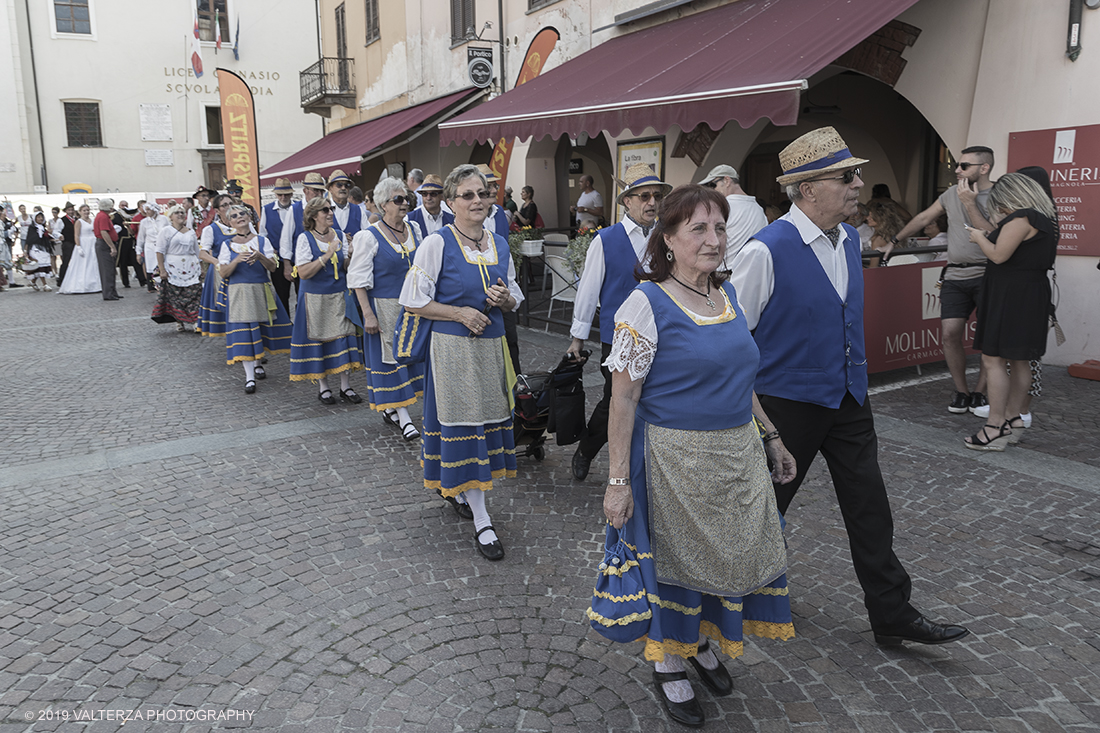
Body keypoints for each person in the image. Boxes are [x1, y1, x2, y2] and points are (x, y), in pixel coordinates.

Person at [730, 126, 970, 647]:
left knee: (870, 507)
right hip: (786, 407)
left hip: (848, 398)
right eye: (847, 176)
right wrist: (760, 424)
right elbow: (733, 338)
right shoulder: (764, 251)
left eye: (856, 174)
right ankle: (729, 600)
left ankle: (892, 615)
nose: (860, 183)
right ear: (809, 188)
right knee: (765, 509)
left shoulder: (845, 243)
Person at [599, 184, 796, 727]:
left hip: (734, 458)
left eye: (720, 227)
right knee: (674, 567)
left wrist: (771, 435)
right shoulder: (647, 303)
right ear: (668, 238)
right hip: (673, 461)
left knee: (723, 559)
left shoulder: (725, 295)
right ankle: (668, 661)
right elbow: (624, 397)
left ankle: (701, 641)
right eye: (699, 230)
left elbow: (742, 375)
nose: (714, 240)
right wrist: (618, 481)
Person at [398, 164, 523, 561]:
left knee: (485, 424)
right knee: (465, 424)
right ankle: (483, 520)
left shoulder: (499, 243)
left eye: (482, 194)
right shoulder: (437, 243)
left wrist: (506, 300)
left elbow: (515, 292)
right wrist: (460, 313)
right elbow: (412, 299)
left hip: (490, 348)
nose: (477, 201)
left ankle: (460, 490)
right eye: (467, 195)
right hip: (453, 349)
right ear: (451, 203)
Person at [568, 163, 670, 481]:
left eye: (656, 196)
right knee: (615, 400)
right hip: (620, 338)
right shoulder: (606, 240)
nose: (651, 202)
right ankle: (587, 449)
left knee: (655, 399)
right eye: (644, 196)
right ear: (627, 201)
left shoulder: (667, 237)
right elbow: (588, 291)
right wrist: (577, 339)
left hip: (662, 334)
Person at [892, 146, 996, 415]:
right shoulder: (951, 193)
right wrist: (894, 240)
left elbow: (995, 235)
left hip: (988, 274)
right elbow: (925, 217)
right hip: (954, 274)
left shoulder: (999, 194)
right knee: (950, 334)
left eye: (964, 166)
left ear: (984, 168)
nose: (957, 170)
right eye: (957, 165)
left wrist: (971, 203)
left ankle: (980, 393)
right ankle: (961, 391)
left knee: (988, 339)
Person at [962, 173, 1058, 450]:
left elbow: (998, 255)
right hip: (1028, 294)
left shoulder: (1022, 218)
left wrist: (979, 237)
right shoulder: (1043, 218)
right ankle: (1013, 419)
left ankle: (995, 426)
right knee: (1019, 361)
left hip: (1012, 296)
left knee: (993, 360)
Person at [348, 178, 425, 438]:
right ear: (382, 205)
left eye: (406, 199)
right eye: (398, 199)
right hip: (385, 308)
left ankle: (392, 410)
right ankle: (404, 418)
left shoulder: (414, 229)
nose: (404, 204)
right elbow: (357, 280)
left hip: (414, 307)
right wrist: (367, 314)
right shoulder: (368, 236)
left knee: (413, 356)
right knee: (392, 361)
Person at [289, 196, 365, 403]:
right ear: (314, 216)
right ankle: (324, 388)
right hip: (315, 298)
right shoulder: (305, 239)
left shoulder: (339, 235)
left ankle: (345, 387)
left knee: (343, 337)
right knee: (319, 341)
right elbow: (303, 273)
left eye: (331, 208)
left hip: (339, 295)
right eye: (325, 210)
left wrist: (351, 255)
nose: (330, 212)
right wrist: (327, 254)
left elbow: (345, 268)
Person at [218, 204, 293, 393]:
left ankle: (258, 363)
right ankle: (249, 377)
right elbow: (224, 273)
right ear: (230, 222)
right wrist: (236, 259)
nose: (239, 217)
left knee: (259, 328)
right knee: (244, 332)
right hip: (239, 292)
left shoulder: (262, 241)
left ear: (250, 217)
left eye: (242, 213)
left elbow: (272, 268)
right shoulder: (227, 245)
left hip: (260, 289)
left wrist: (260, 256)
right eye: (234, 216)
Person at [699, 164, 768, 269]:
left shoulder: (721, 206)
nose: (711, 190)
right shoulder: (758, 209)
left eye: (712, 185)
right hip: (750, 272)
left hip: (722, 273)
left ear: (727, 180)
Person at [151, 205, 203, 332]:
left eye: (182, 212)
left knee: (194, 294)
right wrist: (162, 269)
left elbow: (197, 251)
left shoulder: (191, 232)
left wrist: (202, 268)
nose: (180, 215)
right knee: (176, 296)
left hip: (191, 266)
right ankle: (179, 320)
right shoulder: (166, 231)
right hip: (173, 266)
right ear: (171, 216)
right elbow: (159, 251)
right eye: (177, 213)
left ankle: (195, 321)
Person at [259, 177, 302, 316]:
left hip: (297, 257)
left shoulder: (298, 208)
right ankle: (285, 324)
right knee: (281, 293)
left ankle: (301, 322)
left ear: (291, 194)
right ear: (276, 195)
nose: (283, 197)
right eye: (280, 194)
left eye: (287, 194)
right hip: (277, 259)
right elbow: (263, 233)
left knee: (300, 292)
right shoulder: (267, 209)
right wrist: (270, 249)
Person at [59, 204, 102, 295]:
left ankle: (96, 284)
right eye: (84, 210)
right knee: (83, 264)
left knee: (94, 263)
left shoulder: (93, 220)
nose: (86, 212)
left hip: (93, 242)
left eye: (87, 210)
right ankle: (82, 284)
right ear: (80, 212)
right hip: (84, 243)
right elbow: (77, 235)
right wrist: (78, 246)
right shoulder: (79, 221)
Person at [405, 174, 453, 239]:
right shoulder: (409, 219)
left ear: (442, 196)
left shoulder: (452, 219)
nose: (428, 198)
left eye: (433, 194)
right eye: (424, 194)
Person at [93, 199, 122, 301]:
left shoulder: (103, 216)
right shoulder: (103, 216)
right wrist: (112, 246)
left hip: (105, 244)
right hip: (104, 245)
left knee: (111, 269)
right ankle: (108, 293)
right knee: (107, 270)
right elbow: (104, 232)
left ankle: (112, 291)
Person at [866, 200, 911, 265]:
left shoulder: (878, 239)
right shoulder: (897, 235)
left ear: (880, 218)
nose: (868, 218)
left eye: (871, 216)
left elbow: (873, 268)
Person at [114, 201, 145, 289]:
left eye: (126, 205)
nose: (124, 207)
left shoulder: (135, 215)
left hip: (133, 240)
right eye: (122, 205)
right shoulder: (116, 215)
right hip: (123, 241)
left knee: (136, 261)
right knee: (122, 262)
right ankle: (125, 282)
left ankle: (142, 280)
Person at [137, 203, 167, 292]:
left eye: (148, 209)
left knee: (162, 264)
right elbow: (141, 238)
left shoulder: (163, 219)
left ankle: (164, 285)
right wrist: (138, 252)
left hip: (162, 246)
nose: (147, 212)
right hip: (150, 247)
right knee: (151, 266)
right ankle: (152, 286)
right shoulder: (144, 222)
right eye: (146, 209)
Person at [327, 169, 362, 238]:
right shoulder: (323, 209)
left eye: (347, 185)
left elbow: (367, 234)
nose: (343, 188)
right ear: (330, 189)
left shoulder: (358, 210)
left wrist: (355, 240)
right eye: (339, 185)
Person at [24, 212, 54, 291]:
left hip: (43, 249)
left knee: (41, 266)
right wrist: (25, 251)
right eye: (39, 217)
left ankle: (33, 282)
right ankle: (45, 285)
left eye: (42, 217)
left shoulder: (43, 228)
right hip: (35, 249)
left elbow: (47, 237)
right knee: (39, 265)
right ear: (35, 218)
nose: (41, 219)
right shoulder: (32, 228)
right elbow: (29, 239)